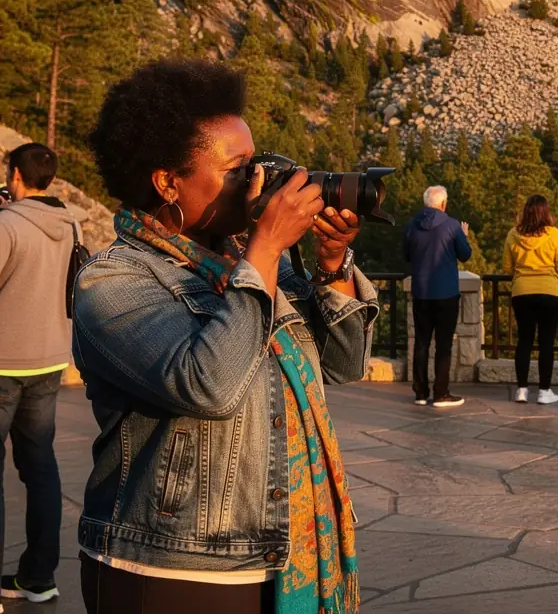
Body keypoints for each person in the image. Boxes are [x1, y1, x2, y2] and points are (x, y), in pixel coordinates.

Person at [73, 59, 379, 614]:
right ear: (168, 182)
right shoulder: (113, 281)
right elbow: (208, 385)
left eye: (256, 164)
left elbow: (346, 363)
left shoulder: (258, 265)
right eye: (239, 170)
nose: (257, 183)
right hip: (171, 570)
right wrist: (264, 251)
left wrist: (331, 266)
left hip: (276, 557)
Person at [0, 143, 75, 608]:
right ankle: (39, 577)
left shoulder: (7, 224)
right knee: (40, 469)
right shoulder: (68, 223)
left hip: (3, 362)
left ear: (15, 174)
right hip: (48, 360)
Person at [403, 185, 472, 408]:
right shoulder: (452, 226)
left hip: (421, 291)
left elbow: (406, 254)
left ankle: (420, 393)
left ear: (425, 203)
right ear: (443, 204)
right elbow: (465, 255)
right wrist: (464, 236)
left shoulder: (412, 225)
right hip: (446, 293)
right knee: (444, 345)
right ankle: (441, 393)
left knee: (421, 343)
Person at [502, 195, 558, 404]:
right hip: (550, 292)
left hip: (522, 292)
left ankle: (521, 390)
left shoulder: (513, 235)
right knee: (546, 343)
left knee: (524, 340)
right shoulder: (555, 235)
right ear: (546, 212)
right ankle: (544, 391)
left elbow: (507, 268)